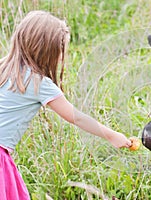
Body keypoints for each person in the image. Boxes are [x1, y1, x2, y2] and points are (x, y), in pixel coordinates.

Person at [0, 10, 132, 199]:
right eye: (61, 49)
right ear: (45, 48)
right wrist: (112, 136)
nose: (63, 56)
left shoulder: (3, 69)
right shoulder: (38, 83)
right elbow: (76, 117)